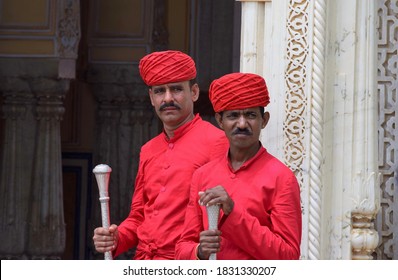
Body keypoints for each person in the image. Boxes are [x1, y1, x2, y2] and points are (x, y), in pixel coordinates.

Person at [92, 50, 229, 260]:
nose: (167, 98)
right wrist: (116, 237)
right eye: (159, 91)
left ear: (194, 92)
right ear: (151, 98)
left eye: (176, 89)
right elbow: (138, 217)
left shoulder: (217, 141)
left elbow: (224, 216)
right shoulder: (148, 149)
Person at [175, 72, 302, 260]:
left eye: (250, 115)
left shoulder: (282, 178)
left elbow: (289, 256)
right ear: (220, 121)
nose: (242, 124)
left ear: (264, 120)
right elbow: (182, 248)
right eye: (233, 115)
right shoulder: (202, 175)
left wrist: (233, 212)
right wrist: (200, 252)